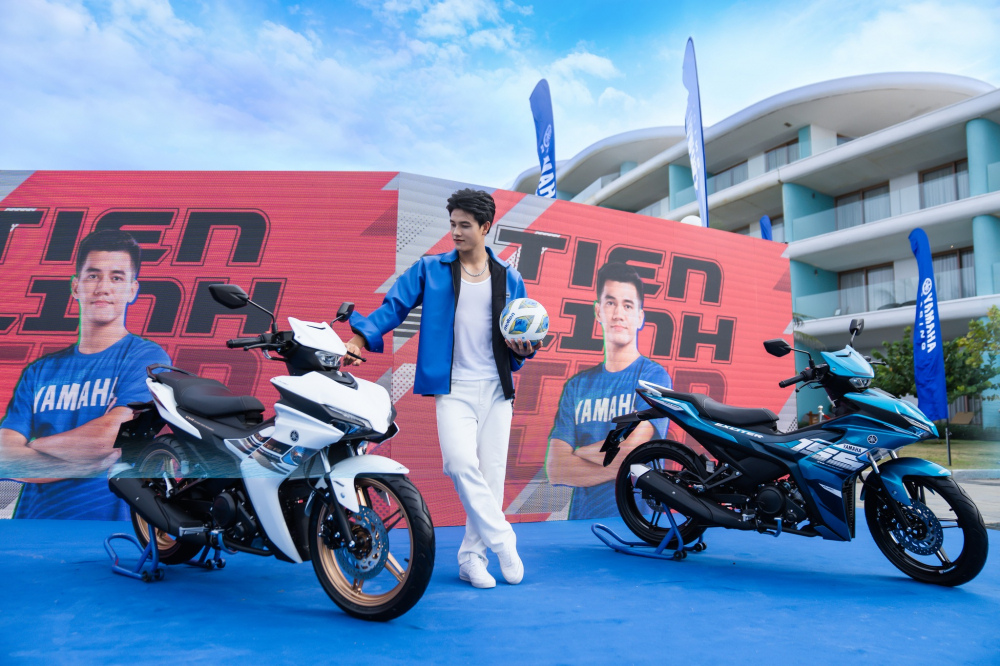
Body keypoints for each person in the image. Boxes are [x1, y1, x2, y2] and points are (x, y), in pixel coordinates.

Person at [345, 188, 535, 589]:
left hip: (497, 389)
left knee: (492, 477)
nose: (456, 232)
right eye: (453, 224)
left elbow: (521, 334)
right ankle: (504, 541)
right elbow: (394, 307)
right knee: (460, 464)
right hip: (454, 389)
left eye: (465, 225)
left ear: (485, 227)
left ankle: (472, 558)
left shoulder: (509, 277)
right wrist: (360, 339)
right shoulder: (429, 269)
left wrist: (525, 347)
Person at [0, 229, 170, 519]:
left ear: (132, 290)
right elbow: (5, 457)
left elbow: (107, 440)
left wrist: (32, 446)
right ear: (76, 286)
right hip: (34, 527)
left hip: (108, 529)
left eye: (116, 278)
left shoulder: (147, 359)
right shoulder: (39, 371)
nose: (103, 288)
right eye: (93, 276)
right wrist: (82, 463)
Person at [546, 262, 672, 520]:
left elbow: (632, 450)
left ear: (640, 317)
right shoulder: (576, 386)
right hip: (582, 524)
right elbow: (557, 469)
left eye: (628, 305)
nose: (618, 314)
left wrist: (579, 453)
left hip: (637, 521)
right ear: (598, 311)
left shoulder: (654, 377)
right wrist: (622, 467)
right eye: (611, 303)